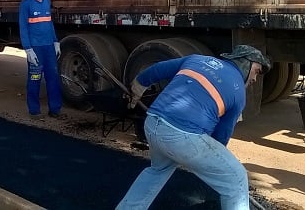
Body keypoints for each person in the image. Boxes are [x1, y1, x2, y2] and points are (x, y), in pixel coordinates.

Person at [116, 45, 272, 210]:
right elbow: (220, 138)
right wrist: (212, 165)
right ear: (246, 63)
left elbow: (156, 70)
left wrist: (136, 90)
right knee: (236, 178)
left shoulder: (197, 59)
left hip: (153, 123)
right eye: (256, 70)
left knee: (158, 170)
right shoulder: (238, 92)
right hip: (181, 135)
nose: (255, 78)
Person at [18, 0, 63, 119]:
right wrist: (28, 49)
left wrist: (55, 41)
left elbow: (49, 23)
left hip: (49, 47)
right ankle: (34, 110)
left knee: (53, 78)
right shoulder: (26, 4)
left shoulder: (46, 1)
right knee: (35, 78)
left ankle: (55, 109)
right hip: (36, 49)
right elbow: (23, 28)